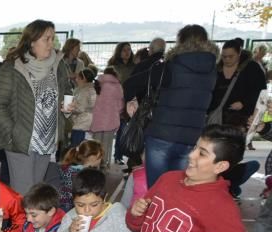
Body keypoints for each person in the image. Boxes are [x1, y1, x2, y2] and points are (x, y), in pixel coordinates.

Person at [0, 19, 72, 198]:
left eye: (53, 38)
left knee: (36, 193)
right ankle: (20, 226)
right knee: (23, 193)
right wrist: (13, 133)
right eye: (46, 39)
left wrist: (67, 109)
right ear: (32, 41)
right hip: (21, 141)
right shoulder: (12, 67)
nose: (52, 43)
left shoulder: (58, 65)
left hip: (47, 141)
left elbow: (66, 92)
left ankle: (32, 226)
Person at [134, 25, 218, 187]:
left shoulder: (170, 66)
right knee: (179, 188)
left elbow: (133, 83)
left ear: (181, 41)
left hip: (161, 135)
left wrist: (132, 102)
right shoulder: (213, 70)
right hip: (191, 139)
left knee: (157, 189)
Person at [209, 38, 267, 133]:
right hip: (216, 116)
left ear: (239, 53)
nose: (227, 59)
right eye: (224, 56)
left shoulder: (252, 68)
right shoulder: (216, 68)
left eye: (231, 56)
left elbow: (260, 92)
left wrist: (244, 103)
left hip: (239, 119)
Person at [89, 67, 124, 167]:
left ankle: (94, 163)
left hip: (97, 119)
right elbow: (120, 105)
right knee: (107, 144)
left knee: (96, 144)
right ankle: (104, 164)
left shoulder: (97, 83)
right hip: (111, 119)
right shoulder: (117, 86)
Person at [57, 139, 104, 211]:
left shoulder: (67, 167)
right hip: (75, 206)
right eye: (100, 156)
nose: (101, 159)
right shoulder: (86, 174)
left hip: (61, 203)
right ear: (93, 157)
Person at [66, 68, 97, 148]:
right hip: (87, 120)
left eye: (78, 78)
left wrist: (69, 108)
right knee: (80, 146)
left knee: (76, 147)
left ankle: (75, 160)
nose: (76, 80)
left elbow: (81, 108)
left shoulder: (84, 91)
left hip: (81, 122)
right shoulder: (91, 88)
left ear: (83, 79)